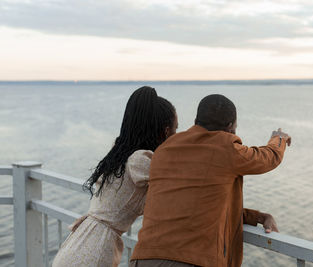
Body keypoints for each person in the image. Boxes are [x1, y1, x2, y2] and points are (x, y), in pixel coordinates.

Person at [130, 94, 291, 267]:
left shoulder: (164, 150)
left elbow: (194, 205)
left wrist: (256, 217)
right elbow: (268, 158)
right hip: (190, 260)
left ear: (197, 121)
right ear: (230, 127)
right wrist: (279, 138)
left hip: (143, 258)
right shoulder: (226, 147)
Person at [52, 86, 178, 267]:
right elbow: (177, 183)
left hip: (79, 244)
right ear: (165, 132)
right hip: (95, 251)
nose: (176, 136)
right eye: (175, 130)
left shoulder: (121, 153)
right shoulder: (140, 160)